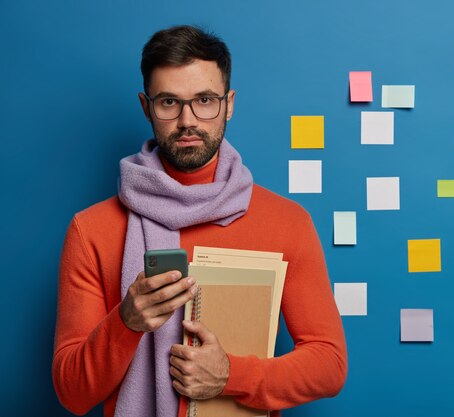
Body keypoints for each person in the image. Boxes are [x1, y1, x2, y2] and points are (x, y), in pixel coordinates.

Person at [52, 25, 347, 417]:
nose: (188, 120)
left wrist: (232, 376)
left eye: (205, 100)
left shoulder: (287, 222)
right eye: (169, 102)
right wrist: (125, 323)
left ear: (229, 104)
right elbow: (72, 393)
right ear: (146, 106)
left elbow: (329, 365)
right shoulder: (91, 230)